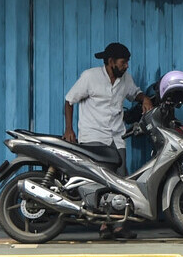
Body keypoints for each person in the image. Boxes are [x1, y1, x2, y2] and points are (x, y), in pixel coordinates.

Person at [64, 41, 152, 240]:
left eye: (127, 62)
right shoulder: (90, 77)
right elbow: (69, 100)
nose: (126, 66)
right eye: (123, 62)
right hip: (93, 137)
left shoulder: (125, 79)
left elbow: (134, 93)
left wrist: (144, 98)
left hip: (117, 138)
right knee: (99, 183)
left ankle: (119, 226)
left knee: (121, 182)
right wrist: (69, 129)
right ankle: (103, 225)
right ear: (110, 61)